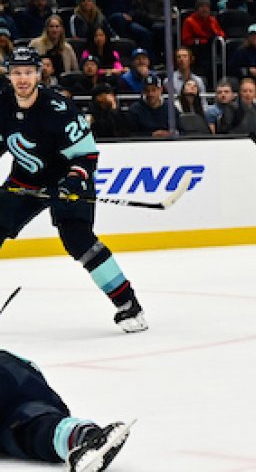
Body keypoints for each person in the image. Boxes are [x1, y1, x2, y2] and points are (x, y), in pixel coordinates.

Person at [0, 47, 148, 333]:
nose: (22, 79)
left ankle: (129, 305)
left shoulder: (59, 109)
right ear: (9, 75)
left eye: (28, 72)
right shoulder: (2, 104)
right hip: (25, 181)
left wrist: (73, 181)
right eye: (17, 73)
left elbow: (87, 156)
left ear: (39, 74)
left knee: (78, 240)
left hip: (67, 180)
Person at [0, 350, 133, 471]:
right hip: (21, 375)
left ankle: (81, 436)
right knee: (32, 425)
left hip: (15, 377)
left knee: (27, 426)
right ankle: (82, 436)